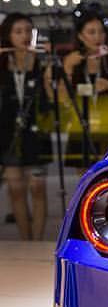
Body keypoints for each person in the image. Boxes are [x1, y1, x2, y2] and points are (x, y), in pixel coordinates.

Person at [0, 13, 49, 239]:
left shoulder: (40, 61)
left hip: (36, 133)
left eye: (28, 31)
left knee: (38, 188)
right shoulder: (2, 62)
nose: (24, 36)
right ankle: (24, 238)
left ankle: (36, 240)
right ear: (8, 35)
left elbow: (49, 97)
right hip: (7, 133)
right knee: (16, 191)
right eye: (18, 31)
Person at [62, 13, 108, 101]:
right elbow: (62, 97)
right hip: (81, 113)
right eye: (91, 32)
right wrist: (68, 67)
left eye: (102, 32)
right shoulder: (72, 59)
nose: (98, 37)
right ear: (80, 36)